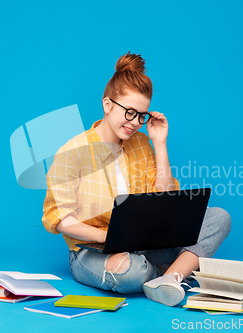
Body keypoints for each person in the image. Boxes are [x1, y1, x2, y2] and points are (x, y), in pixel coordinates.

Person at [42, 52, 231, 306]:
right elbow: (61, 219)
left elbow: (164, 196)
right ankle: (178, 270)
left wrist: (159, 143)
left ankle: (171, 277)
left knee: (219, 217)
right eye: (129, 112)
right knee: (133, 272)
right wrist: (109, 237)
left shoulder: (141, 143)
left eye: (141, 115)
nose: (135, 123)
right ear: (107, 105)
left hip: (145, 244)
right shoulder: (71, 152)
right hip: (92, 250)